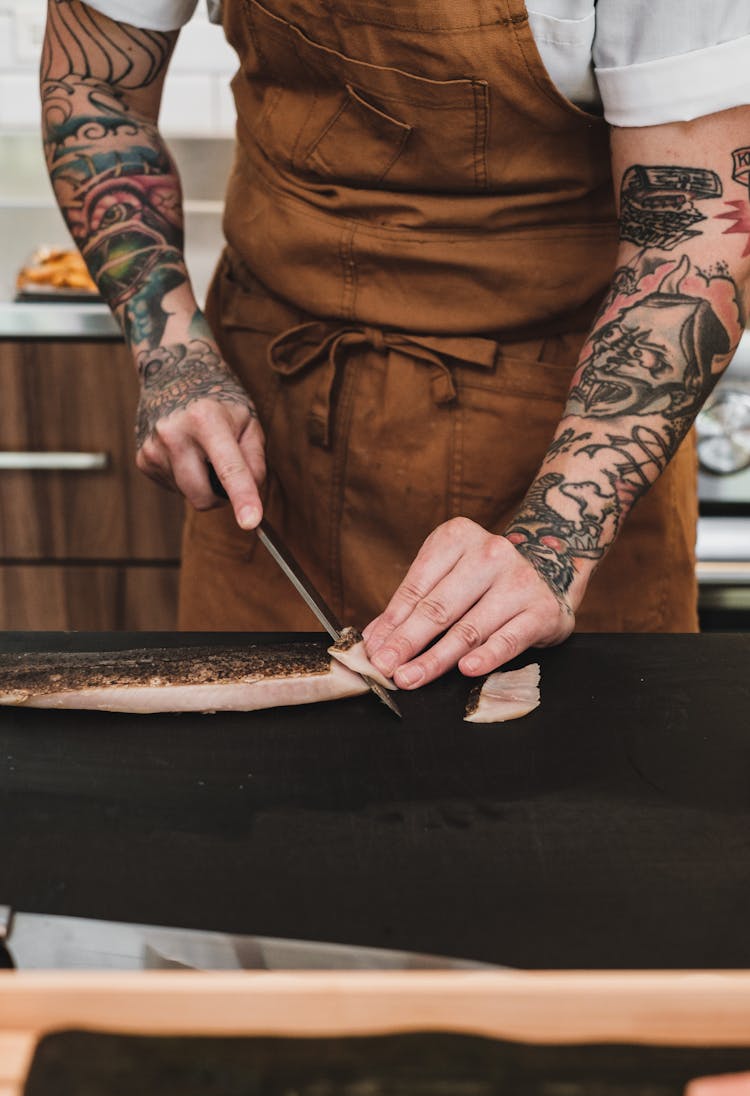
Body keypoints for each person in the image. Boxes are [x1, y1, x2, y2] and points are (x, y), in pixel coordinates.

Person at [42, 0, 750, 690]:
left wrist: (553, 544)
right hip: (272, 432)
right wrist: (172, 353)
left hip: (561, 435)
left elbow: (697, 228)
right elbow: (93, 82)